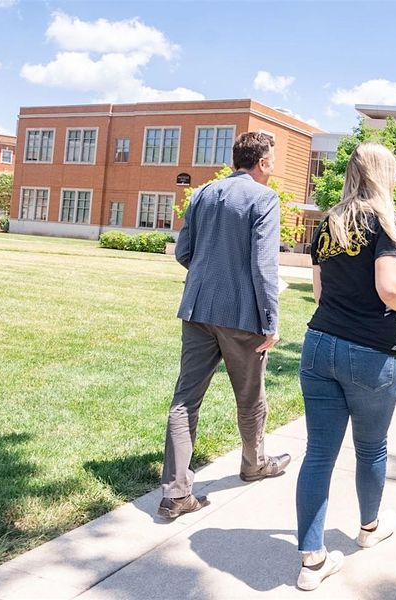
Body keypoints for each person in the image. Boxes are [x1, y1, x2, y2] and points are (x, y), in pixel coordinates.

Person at [293, 143, 396, 591]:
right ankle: (369, 529)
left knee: (318, 453)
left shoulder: (328, 224)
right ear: (384, 175)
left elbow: (319, 294)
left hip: (318, 344)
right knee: (370, 447)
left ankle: (311, 560)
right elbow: (390, 287)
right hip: (370, 353)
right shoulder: (389, 221)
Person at [158, 131, 292, 520]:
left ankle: (177, 493)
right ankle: (254, 464)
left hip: (197, 310)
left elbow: (185, 252)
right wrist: (271, 320)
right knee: (251, 399)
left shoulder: (200, 194)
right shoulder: (264, 198)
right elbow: (264, 266)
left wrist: (206, 277)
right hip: (242, 317)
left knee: (184, 401)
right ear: (263, 163)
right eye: (272, 160)